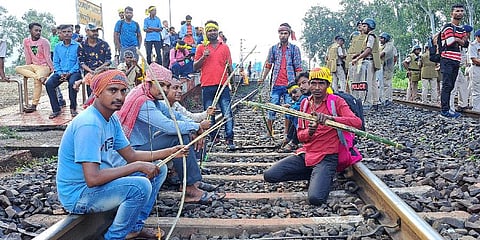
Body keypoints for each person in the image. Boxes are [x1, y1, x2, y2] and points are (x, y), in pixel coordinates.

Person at [56, 69, 187, 239]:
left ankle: (134, 228)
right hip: (79, 195)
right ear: (97, 92)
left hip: (96, 187)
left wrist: (169, 152)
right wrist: (138, 166)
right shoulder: (89, 124)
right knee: (140, 187)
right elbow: (93, 178)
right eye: (112, 90)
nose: (119, 96)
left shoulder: (111, 119)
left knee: (158, 168)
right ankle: (114, 237)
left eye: (123, 91)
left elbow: (131, 155)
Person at [115, 63, 223, 204]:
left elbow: (174, 116)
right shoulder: (143, 102)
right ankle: (190, 187)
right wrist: (195, 127)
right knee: (178, 136)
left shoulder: (151, 98)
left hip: (140, 148)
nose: (164, 89)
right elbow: (169, 126)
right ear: (149, 83)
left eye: (167, 85)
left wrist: (194, 127)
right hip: (130, 153)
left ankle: (192, 183)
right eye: (161, 85)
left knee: (184, 132)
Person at [263, 67, 362, 206]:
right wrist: (310, 131)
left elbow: (357, 122)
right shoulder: (305, 104)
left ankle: (323, 174)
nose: (317, 87)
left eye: (321, 83)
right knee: (270, 175)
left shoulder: (336, 101)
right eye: (313, 83)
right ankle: (316, 174)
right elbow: (301, 137)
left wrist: (331, 119)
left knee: (316, 199)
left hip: (327, 156)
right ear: (309, 84)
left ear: (327, 85)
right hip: (307, 154)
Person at [194, 20, 235, 149]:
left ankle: (229, 139)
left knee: (227, 113)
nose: (212, 32)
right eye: (209, 30)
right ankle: (213, 138)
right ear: (206, 33)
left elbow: (229, 67)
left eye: (214, 30)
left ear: (218, 31)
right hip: (207, 85)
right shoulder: (201, 47)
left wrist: (231, 83)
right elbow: (195, 67)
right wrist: (203, 57)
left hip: (222, 85)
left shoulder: (225, 47)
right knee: (209, 114)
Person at [259, 23, 302, 139]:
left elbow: (298, 67)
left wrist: (299, 84)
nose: (283, 35)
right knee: (272, 108)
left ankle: (286, 134)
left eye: (285, 33)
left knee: (289, 109)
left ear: (289, 34)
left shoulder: (294, 49)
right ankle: (269, 132)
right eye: (281, 33)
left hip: (290, 85)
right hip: (276, 84)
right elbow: (268, 64)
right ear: (278, 34)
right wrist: (262, 78)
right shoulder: (273, 49)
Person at [15, 22, 57, 113]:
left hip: (44, 66)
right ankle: (40, 78)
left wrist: (52, 69)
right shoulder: (26, 41)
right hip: (33, 66)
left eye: (39, 31)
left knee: (37, 82)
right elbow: (27, 55)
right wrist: (28, 67)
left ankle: (34, 105)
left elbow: (48, 56)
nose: (38, 32)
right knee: (18, 68)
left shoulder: (44, 42)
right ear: (30, 30)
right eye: (36, 30)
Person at [439, 3, 469, 119]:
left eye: (461, 11)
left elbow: (466, 44)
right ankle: (444, 111)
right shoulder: (447, 26)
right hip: (447, 59)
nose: (459, 13)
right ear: (452, 13)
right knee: (447, 85)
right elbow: (450, 41)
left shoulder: (461, 28)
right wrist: (459, 39)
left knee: (451, 85)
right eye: (457, 11)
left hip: (456, 60)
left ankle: (448, 109)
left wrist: (458, 39)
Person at [45, 24, 82, 118]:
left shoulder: (78, 46)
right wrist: (60, 73)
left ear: (72, 33)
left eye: (69, 32)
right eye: (64, 32)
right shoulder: (57, 47)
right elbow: (56, 62)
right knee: (49, 84)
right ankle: (56, 109)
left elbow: (79, 62)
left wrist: (70, 72)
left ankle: (73, 108)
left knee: (72, 84)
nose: (67, 34)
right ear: (60, 33)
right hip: (60, 72)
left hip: (74, 72)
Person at [351, 18, 380, 110]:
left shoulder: (370, 36)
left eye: (364, 26)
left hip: (368, 61)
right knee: (373, 82)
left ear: (370, 27)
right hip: (371, 60)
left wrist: (358, 58)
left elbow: (368, 50)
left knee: (368, 83)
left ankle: (368, 102)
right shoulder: (369, 36)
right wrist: (357, 55)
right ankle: (375, 102)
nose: (362, 28)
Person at [76, 23, 112, 96]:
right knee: (91, 95)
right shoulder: (82, 46)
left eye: (96, 31)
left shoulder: (104, 44)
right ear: (86, 31)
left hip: (103, 72)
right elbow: (82, 63)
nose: (95, 33)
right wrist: (91, 71)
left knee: (104, 94)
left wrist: (99, 69)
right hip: (89, 73)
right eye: (93, 31)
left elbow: (108, 60)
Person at [379, 32, 395, 106]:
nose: (380, 40)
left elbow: (383, 54)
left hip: (387, 67)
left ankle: (388, 99)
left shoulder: (389, 45)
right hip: (383, 66)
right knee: (382, 83)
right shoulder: (383, 45)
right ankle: (384, 98)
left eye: (382, 38)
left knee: (387, 83)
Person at [469, 29, 480, 112]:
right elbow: (474, 59)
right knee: (476, 89)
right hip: (476, 68)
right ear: (477, 37)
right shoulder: (473, 45)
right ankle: (476, 109)